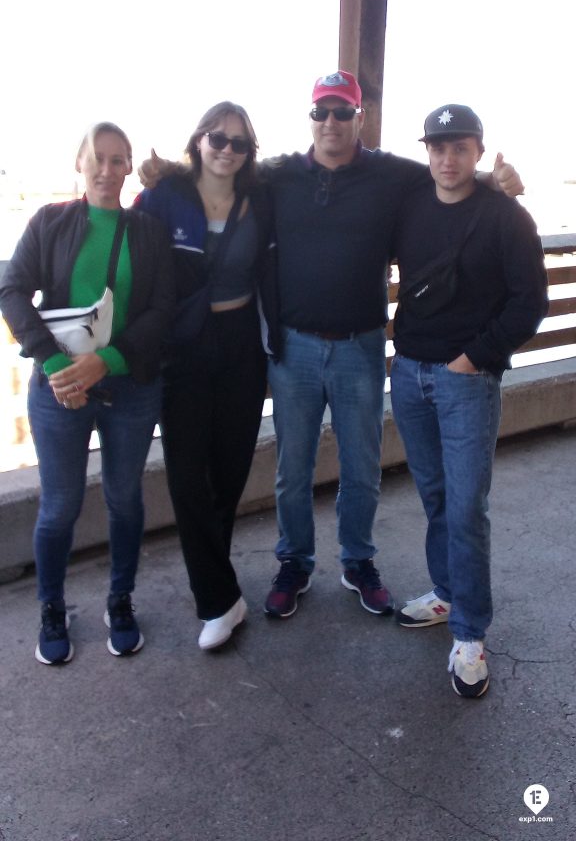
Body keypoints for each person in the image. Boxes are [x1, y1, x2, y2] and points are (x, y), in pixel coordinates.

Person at [139, 73, 522, 624]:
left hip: (360, 347)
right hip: (293, 349)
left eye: (343, 112)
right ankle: (293, 563)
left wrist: (495, 177)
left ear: (359, 117)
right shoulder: (279, 175)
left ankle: (358, 562)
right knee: (292, 469)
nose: (331, 123)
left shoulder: (392, 175)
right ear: (310, 118)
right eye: (321, 112)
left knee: (362, 467)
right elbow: (221, 167)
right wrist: (167, 171)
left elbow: (450, 173)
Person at [0, 122, 175, 665]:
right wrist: (57, 365)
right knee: (59, 508)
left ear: (128, 168)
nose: (107, 168)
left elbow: (161, 310)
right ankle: (52, 607)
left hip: (128, 386)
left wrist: (108, 361)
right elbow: (10, 289)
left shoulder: (146, 231)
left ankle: (119, 600)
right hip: (59, 387)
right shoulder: (50, 222)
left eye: (118, 159)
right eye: (97, 158)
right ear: (80, 164)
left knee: (125, 499)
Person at [390, 103, 548, 697]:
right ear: (426, 152)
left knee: (466, 507)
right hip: (407, 374)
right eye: (438, 147)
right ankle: (446, 592)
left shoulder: (506, 216)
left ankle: (470, 632)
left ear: (479, 150)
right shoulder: (410, 204)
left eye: (460, 148)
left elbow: (529, 303)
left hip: (466, 381)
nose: (447, 158)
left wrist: (472, 358)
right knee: (434, 495)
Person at [136, 102, 275, 651]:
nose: (226, 149)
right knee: (187, 475)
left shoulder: (261, 197)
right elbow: (129, 258)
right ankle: (218, 600)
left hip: (242, 344)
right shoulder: (164, 195)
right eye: (217, 138)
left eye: (238, 142)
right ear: (198, 141)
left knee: (231, 468)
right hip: (184, 347)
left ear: (249, 153)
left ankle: (220, 590)